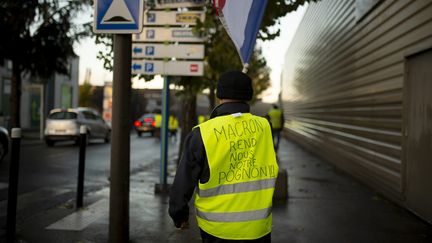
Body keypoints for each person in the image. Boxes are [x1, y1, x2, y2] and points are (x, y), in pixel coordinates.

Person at [169, 70, 279, 242]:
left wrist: (179, 216)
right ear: (248, 95)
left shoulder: (202, 134)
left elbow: (183, 182)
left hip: (216, 230)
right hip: (258, 229)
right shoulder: (265, 128)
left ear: (220, 95)